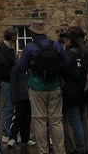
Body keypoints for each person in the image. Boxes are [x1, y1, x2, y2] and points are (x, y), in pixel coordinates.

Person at [15, 20, 69, 154]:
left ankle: (43, 150)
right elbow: (68, 62)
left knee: (39, 121)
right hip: (55, 85)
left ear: (32, 32)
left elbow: (20, 68)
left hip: (36, 86)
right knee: (56, 121)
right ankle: (59, 150)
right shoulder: (55, 45)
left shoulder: (29, 48)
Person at [59, 30, 87, 154]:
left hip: (69, 90)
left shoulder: (69, 54)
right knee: (78, 121)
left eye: (65, 38)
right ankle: (82, 147)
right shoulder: (82, 52)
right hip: (80, 89)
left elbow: (64, 71)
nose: (64, 40)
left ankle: (76, 148)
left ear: (70, 40)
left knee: (72, 121)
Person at [0, 28, 18, 145]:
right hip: (6, 81)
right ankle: (6, 132)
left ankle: (8, 131)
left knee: (10, 106)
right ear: (12, 37)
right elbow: (5, 65)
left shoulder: (8, 48)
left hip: (9, 81)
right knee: (8, 107)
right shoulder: (3, 49)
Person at [7, 59, 33, 147]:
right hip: (20, 98)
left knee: (27, 118)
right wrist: (14, 98)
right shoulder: (16, 69)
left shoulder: (29, 69)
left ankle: (25, 138)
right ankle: (12, 137)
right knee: (17, 118)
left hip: (28, 97)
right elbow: (13, 85)